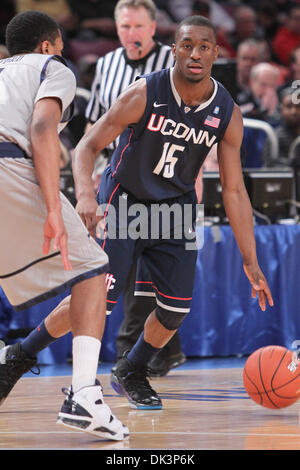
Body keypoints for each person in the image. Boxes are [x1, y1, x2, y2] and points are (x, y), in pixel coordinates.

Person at [71, 15, 274, 409]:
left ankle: (132, 369)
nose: (194, 54)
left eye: (203, 46)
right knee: (101, 301)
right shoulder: (144, 92)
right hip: (125, 199)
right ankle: (47, 365)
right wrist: (85, 195)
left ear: (216, 52)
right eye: (186, 46)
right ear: (174, 50)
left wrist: (250, 260)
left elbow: (233, 190)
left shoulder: (227, 112)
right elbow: (86, 146)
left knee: (175, 310)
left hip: (176, 207)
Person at [0, 10, 129, 440]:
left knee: (84, 271)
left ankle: (16, 361)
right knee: (93, 271)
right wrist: (55, 209)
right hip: (11, 170)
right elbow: (40, 128)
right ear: (47, 45)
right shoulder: (53, 68)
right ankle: (84, 396)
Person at [85, 0, 185, 376]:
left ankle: (150, 350)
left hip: (164, 178)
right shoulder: (106, 65)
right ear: (116, 28)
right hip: (119, 178)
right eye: (125, 27)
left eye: (138, 27)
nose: (132, 34)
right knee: (123, 265)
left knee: (154, 270)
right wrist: (94, 171)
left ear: (154, 28)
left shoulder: (173, 64)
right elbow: (95, 124)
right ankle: (138, 354)